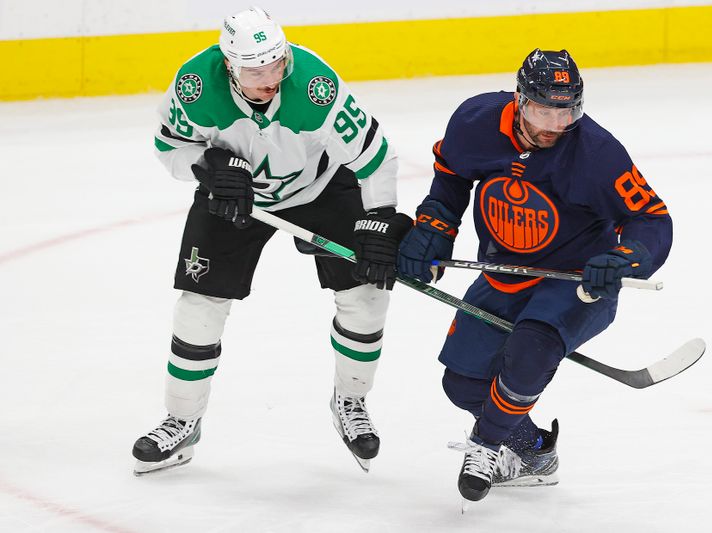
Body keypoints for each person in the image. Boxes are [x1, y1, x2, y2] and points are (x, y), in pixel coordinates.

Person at [132, 6, 412, 475]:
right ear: (228, 66)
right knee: (199, 305)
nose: (270, 78)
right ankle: (181, 421)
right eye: (255, 70)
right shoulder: (195, 87)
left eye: (276, 64)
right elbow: (169, 148)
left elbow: (376, 157)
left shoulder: (316, 89)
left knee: (365, 295)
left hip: (320, 190)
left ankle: (352, 400)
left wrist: (380, 219)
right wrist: (208, 167)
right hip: (233, 196)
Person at [396, 49, 672, 502]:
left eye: (566, 113)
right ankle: (533, 452)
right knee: (462, 383)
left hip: (576, 280)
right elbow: (451, 174)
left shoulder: (597, 153)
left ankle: (485, 444)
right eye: (544, 111)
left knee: (531, 346)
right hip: (506, 271)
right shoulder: (475, 121)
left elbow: (652, 220)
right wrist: (435, 226)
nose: (554, 125)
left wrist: (625, 260)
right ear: (520, 100)